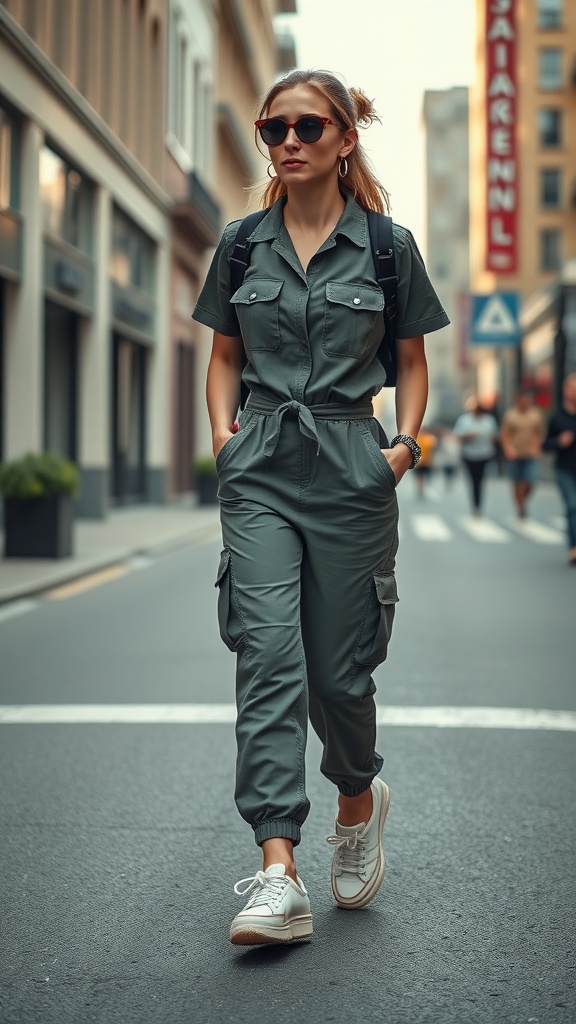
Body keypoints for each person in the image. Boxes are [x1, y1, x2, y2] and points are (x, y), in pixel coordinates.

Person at [192, 69, 449, 946]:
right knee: (267, 654)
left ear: (345, 138)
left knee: (340, 675)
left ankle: (356, 798)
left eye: (308, 125)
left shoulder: (387, 246)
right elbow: (224, 352)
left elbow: (412, 360)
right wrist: (224, 438)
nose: (289, 139)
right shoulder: (239, 245)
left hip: (350, 460)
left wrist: (403, 449)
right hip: (261, 461)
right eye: (275, 128)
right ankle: (277, 871)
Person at [543, 373, 576, 565]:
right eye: (571, 387)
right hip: (563, 470)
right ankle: (573, 547)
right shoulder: (557, 417)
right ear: (565, 391)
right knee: (572, 505)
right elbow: (545, 445)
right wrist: (558, 441)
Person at [500, 390, 544, 519]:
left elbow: (539, 433)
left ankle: (522, 501)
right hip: (515, 454)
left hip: (529, 454)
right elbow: (505, 434)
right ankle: (520, 507)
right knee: (516, 482)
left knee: (530, 482)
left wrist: (536, 447)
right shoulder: (510, 415)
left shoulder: (535, 415)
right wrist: (508, 448)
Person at [453, 397, 499, 516]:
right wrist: (468, 436)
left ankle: (478, 505)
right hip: (469, 454)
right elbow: (456, 436)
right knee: (474, 481)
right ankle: (476, 505)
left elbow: (495, 437)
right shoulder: (464, 420)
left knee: (480, 480)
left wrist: (493, 441)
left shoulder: (489, 420)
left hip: (485, 454)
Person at [413, 425, 437, 499]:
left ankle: (421, 487)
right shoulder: (430, 438)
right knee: (422, 476)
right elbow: (433, 449)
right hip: (424, 461)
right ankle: (421, 487)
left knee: (421, 476)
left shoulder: (419, 438)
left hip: (420, 461)